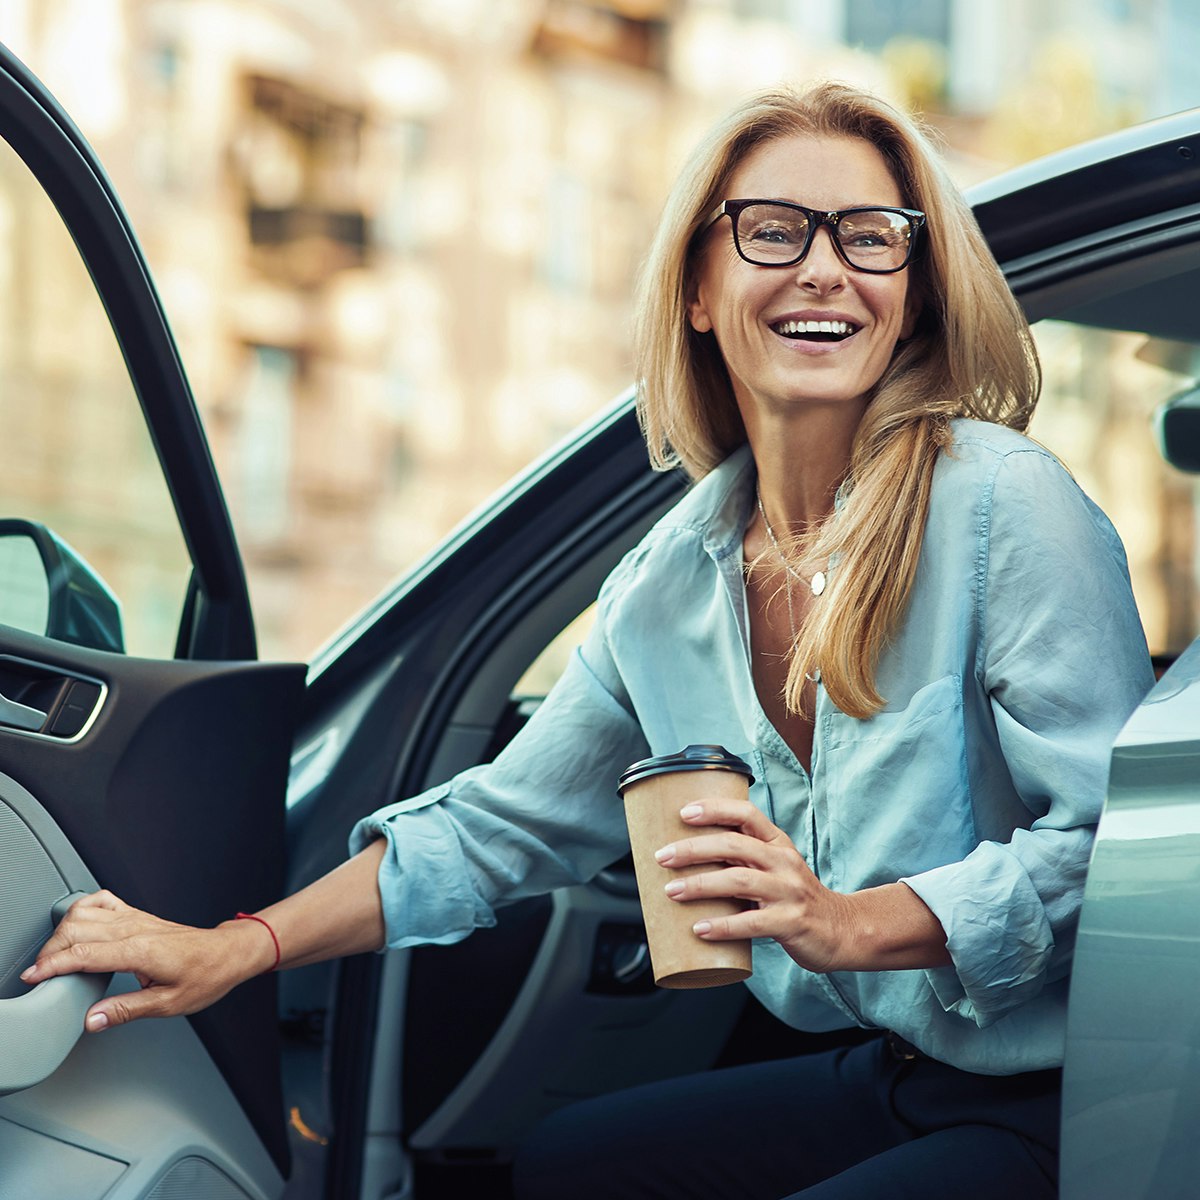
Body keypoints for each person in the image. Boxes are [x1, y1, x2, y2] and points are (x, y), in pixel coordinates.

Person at [24, 83, 1153, 1198]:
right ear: (699, 291)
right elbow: (495, 830)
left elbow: (1117, 853)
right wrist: (236, 949)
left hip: (1092, 1100)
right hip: (903, 1074)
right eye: (774, 230)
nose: (825, 268)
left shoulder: (1008, 505)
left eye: (871, 238)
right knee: (568, 1164)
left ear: (914, 293)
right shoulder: (668, 585)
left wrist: (843, 922)